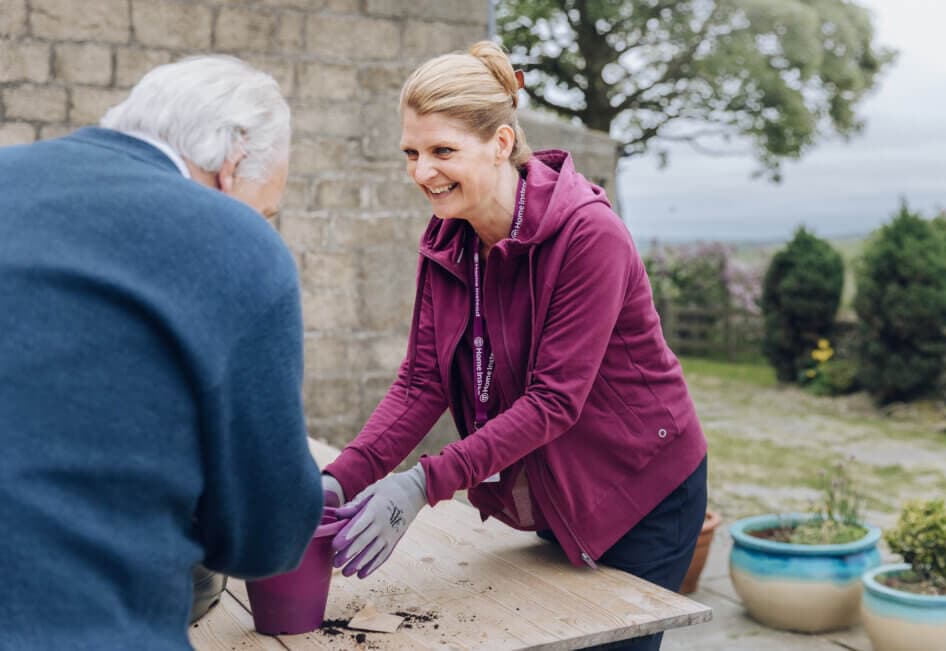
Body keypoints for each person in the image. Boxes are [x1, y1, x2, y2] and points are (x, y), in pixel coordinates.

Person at [321, 42, 708, 651]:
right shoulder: (449, 238)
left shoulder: (589, 236)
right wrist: (340, 480)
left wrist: (422, 484)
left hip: (642, 488)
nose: (422, 172)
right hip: (559, 484)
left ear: (501, 143)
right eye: (412, 153)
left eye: (443, 151)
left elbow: (554, 401)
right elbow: (424, 382)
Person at [0, 56, 323, 650]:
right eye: (267, 210)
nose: (263, 228)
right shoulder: (234, 241)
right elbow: (266, 540)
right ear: (231, 165)